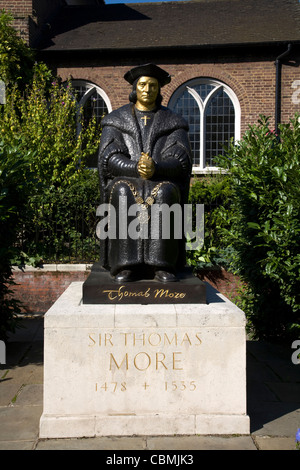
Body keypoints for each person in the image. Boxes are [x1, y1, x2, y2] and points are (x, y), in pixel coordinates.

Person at [98, 64, 192, 283]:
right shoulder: (116, 120)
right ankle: (124, 265)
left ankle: (162, 265)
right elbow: (108, 156)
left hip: (161, 178)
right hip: (125, 177)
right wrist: (134, 168)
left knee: (166, 192)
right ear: (135, 88)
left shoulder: (173, 122)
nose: (147, 90)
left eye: (152, 85)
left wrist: (157, 168)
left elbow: (181, 157)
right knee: (122, 190)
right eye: (142, 85)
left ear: (159, 90)